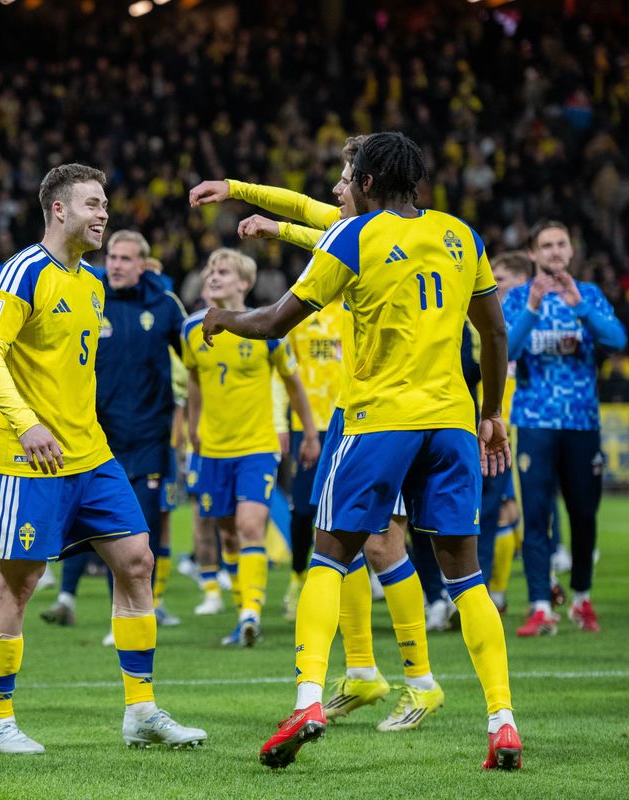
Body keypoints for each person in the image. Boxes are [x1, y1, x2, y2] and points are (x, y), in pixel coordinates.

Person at [198, 132, 521, 770]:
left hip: (379, 423)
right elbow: (493, 330)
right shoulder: (463, 236)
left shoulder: (356, 236)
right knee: (466, 578)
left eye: (350, 178)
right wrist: (491, 413)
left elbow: (271, 322)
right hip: (453, 423)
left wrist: (221, 320)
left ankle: (310, 697)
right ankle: (502, 722)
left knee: (329, 555)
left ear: (367, 183)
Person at [0, 164, 206, 754]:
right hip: (29, 459)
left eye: (106, 205)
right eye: (93, 205)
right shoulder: (24, 271)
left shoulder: (93, 283)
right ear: (58, 210)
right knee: (20, 582)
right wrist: (26, 424)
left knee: (136, 559)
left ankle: (141, 711)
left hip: (91, 454)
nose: (104, 215)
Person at [39, 229, 187, 634]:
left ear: (143, 264)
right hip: (95, 437)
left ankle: (134, 614)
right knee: (86, 526)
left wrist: (190, 423)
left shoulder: (164, 305)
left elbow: (194, 360)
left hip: (150, 439)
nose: (116, 265)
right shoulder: (90, 295)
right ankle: (77, 598)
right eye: (113, 257)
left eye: (125, 259)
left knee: (140, 531)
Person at [183, 248, 320, 647]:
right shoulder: (191, 329)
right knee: (227, 534)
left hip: (257, 446)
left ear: (244, 283)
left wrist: (309, 434)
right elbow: (194, 380)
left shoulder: (265, 326)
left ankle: (250, 614)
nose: (213, 276)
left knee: (248, 526)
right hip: (213, 449)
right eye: (210, 269)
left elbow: (294, 384)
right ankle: (244, 614)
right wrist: (193, 428)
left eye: (223, 270)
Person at [505, 220, 626, 636]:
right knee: (536, 515)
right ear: (533, 254)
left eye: (561, 243)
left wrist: (581, 307)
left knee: (584, 515)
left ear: (571, 250)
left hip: (581, 422)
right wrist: (533, 309)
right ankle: (540, 604)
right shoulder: (518, 298)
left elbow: (615, 340)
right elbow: (505, 350)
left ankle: (581, 600)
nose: (555, 251)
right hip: (534, 422)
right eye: (546, 245)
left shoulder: (589, 295)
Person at [487, 251, 533, 613]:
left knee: (506, 507)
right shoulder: (486, 317)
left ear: (521, 281)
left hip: (517, 425)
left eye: (500, 278)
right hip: (492, 421)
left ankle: (497, 592)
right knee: (502, 507)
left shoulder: (526, 320)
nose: (493, 283)